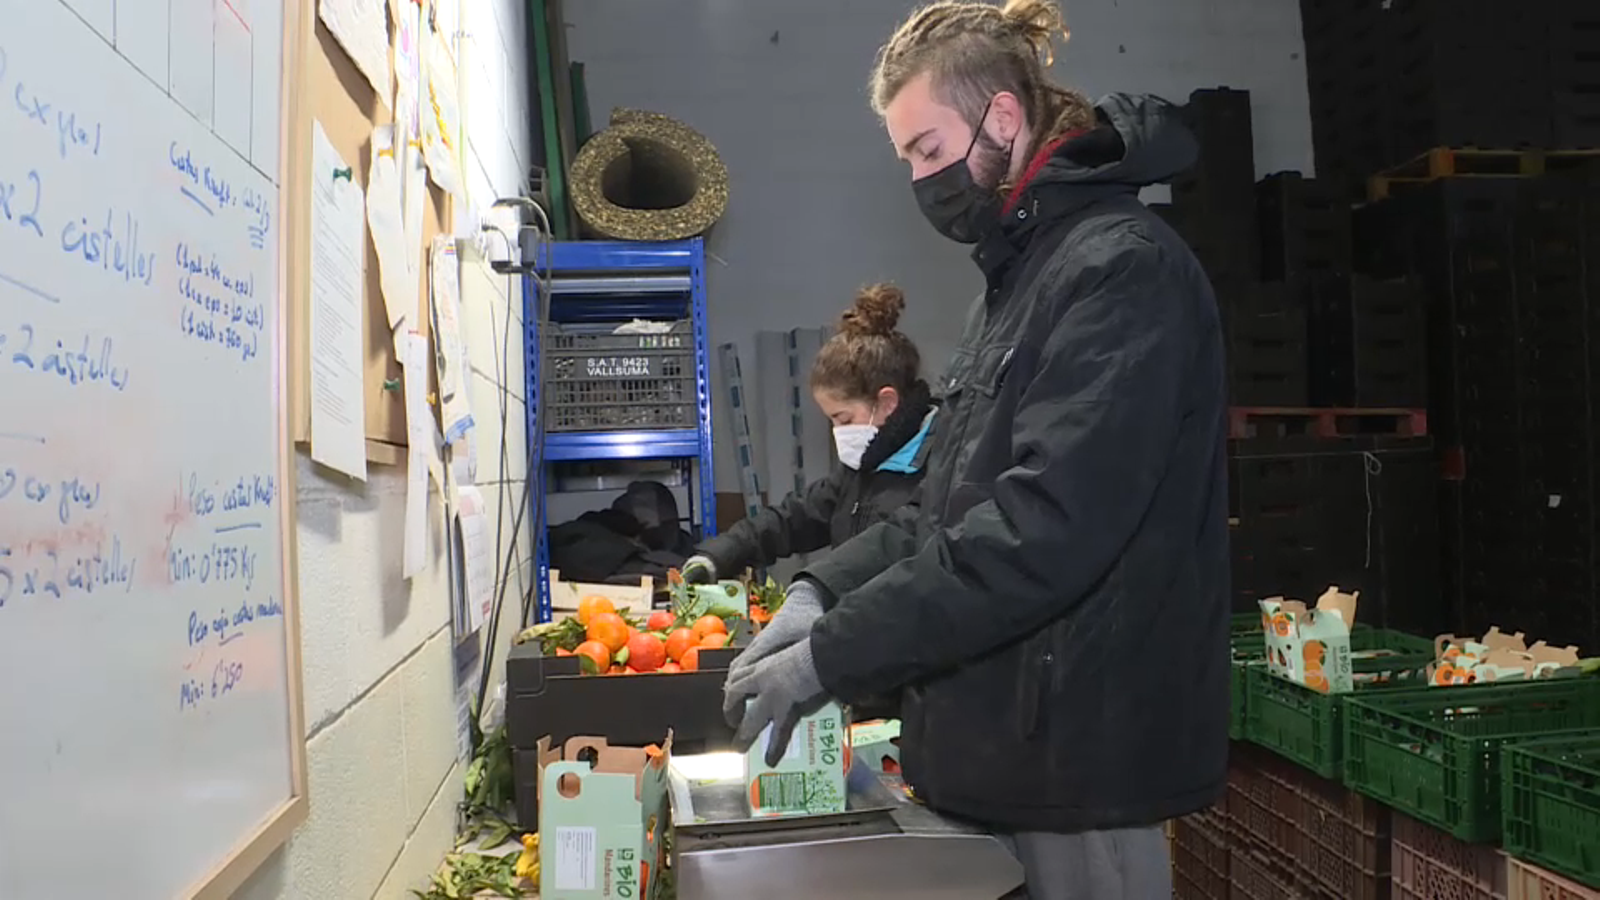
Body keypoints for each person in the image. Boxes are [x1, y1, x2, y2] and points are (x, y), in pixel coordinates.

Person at [721, 2, 1230, 898]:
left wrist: (834, 656)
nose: (922, 181)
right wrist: (819, 590)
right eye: (907, 159)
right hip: (1006, 746)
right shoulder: (1015, 285)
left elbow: (1041, 527)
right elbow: (939, 506)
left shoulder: (1120, 271)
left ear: (1001, 117)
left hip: (1078, 765)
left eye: (927, 149)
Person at [681, 284, 936, 586]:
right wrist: (720, 554)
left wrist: (816, 592)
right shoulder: (862, 469)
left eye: (844, 418)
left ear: (887, 403)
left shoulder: (938, 471)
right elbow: (794, 517)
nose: (838, 433)